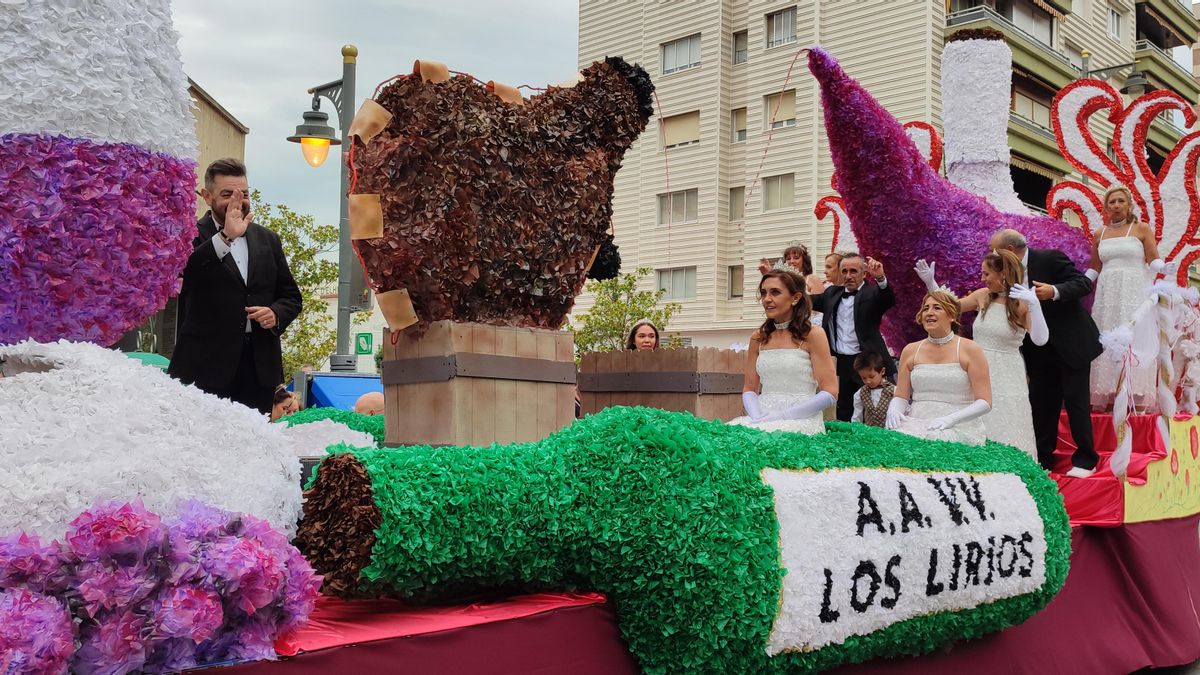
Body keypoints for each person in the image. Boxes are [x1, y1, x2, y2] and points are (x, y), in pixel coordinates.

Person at [168, 158, 303, 415]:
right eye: (227, 194)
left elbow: (291, 297)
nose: (237, 201)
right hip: (204, 368)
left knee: (254, 445)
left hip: (259, 367)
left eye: (244, 194)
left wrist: (275, 314)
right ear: (207, 196)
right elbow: (187, 272)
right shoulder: (188, 235)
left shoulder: (268, 239)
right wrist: (226, 236)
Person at [914, 250, 1048, 458]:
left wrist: (1035, 305)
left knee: (1005, 424)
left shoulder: (1022, 302)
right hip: (975, 367)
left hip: (1006, 373)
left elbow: (1040, 339)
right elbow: (951, 309)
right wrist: (931, 283)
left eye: (986, 274)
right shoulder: (982, 296)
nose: (982, 278)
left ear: (1003, 274)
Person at [991, 228, 1101, 476]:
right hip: (1037, 349)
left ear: (1009, 250)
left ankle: (1086, 459)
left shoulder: (1050, 258)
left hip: (1071, 344)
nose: (992, 256)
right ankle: (1042, 458)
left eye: (994, 250)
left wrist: (1053, 291)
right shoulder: (1006, 271)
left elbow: (1082, 283)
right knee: (1041, 405)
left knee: (1076, 403)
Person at [1088, 186, 1172, 410]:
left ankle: (1134, 393)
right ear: (1106, 207)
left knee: (1134, 336)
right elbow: (1094, 268)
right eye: (1112, 202)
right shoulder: (1100, 233)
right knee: (1107, 338)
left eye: (1120, 201)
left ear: (1128, 205)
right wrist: (1076, 284)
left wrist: (1166, 267)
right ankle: (1107, 392)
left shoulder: (1141, 229)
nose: (1116, 205)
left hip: (1133, 292)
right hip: (1107, 295)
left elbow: (1153, 260)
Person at [729, 268, 837, 434]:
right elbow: (750, 388)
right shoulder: (758, 337)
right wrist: (757, 417)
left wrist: (784, 415)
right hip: (761, 417)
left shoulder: (813, 334)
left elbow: (830, 392)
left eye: (775, 293)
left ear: (795, 298)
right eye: (764, 293)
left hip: (802, 420)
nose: (767, 299)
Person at [886, 291, 992, 446]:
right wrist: (894, 409)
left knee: (938, 440)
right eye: (926, 308)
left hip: (959, 425)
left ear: (951, 315)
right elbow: (902, 395)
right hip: (916, 422)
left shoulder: (970, 349)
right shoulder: (910, 350)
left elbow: (985, 401)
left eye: (937, 308)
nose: (929, 313)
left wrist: (951, 419)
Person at [810, 253, 895, 421]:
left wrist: (881, 278)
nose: (848, 276)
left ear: (864, 273)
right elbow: (804, 300)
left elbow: (887, 299)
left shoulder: (872, 294)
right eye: (845, 271)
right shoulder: (832, 294)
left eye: (853, 271)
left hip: (866, 361)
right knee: (843, 410)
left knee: (875, 412)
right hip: (840, 363)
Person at [758, 243, 825, 296]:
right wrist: (769, 274)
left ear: (804, 260)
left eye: (796, 258)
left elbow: (820, 307)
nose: (792, 261)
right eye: (788, 259)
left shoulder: (812, 279)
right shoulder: (783, 281)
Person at [850, 351, 894, 428]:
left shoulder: (894, 391)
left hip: (890, 433)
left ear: (882, 371)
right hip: (869, 434)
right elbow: (857, 416)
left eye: (871, 376)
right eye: (863, 378)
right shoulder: (860, 393)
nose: (868, 381)